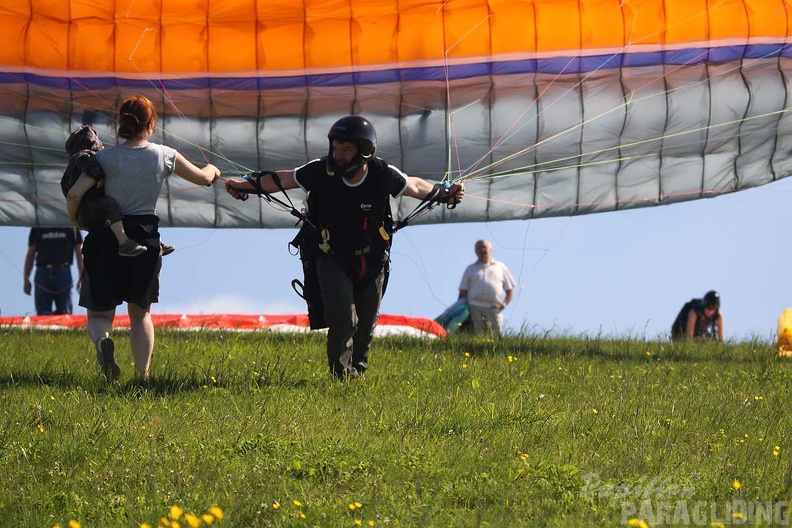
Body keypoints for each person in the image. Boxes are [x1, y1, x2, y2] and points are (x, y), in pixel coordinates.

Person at [224, 115, 465, 379]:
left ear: (363, 152)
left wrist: (445, 193)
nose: (337, 156)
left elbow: (415, 185)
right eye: (335, 148)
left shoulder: (381, 173)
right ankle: (341, 378)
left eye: (345, 150)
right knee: (343, 320)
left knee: (366, 324)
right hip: (332, 257)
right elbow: (282, 179)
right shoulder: (319, 171)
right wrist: (245, 185)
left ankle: (357, 374)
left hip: (373, 259)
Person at [66, 95, 220, 380]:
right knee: (140, 314)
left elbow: (75, 192)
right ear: (151, 123)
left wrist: (74, 219)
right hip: (145, 238)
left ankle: (102, 342)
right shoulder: (165, 154)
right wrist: (213, 169)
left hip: (104, 236)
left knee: (100, 315)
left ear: (121, 123)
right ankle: (142, 377)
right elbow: (203, 178)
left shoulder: (103, 157)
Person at [62, 124, 175, 257]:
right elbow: (73, 194)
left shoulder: (68, 171)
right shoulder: (83, 155)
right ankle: (124, 243)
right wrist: (99, 177)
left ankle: (156, 243)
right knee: (111, 204)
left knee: (125, 204)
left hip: (90, 213)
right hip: (90, 208)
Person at [458, 239, 516, 336]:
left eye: (484, 247)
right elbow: (463, 291)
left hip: (494, 308)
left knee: (496, 337)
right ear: (476, 252)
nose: (482, 250)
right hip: (474, 307)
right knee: (476, 335)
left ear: (490, 249)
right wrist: (460, 309)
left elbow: (509, 290)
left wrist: (504, 304)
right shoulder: (471, 269)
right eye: (479, 248)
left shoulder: (500, 267)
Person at [23, 227, 84, 315]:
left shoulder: (70, 224)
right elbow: (31, 252)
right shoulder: (39, 224)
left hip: (63, 271)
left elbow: (79, 252)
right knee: (42, 314)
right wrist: (26, 278)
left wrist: (82, 277)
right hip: (42, 272)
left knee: (65, 313)